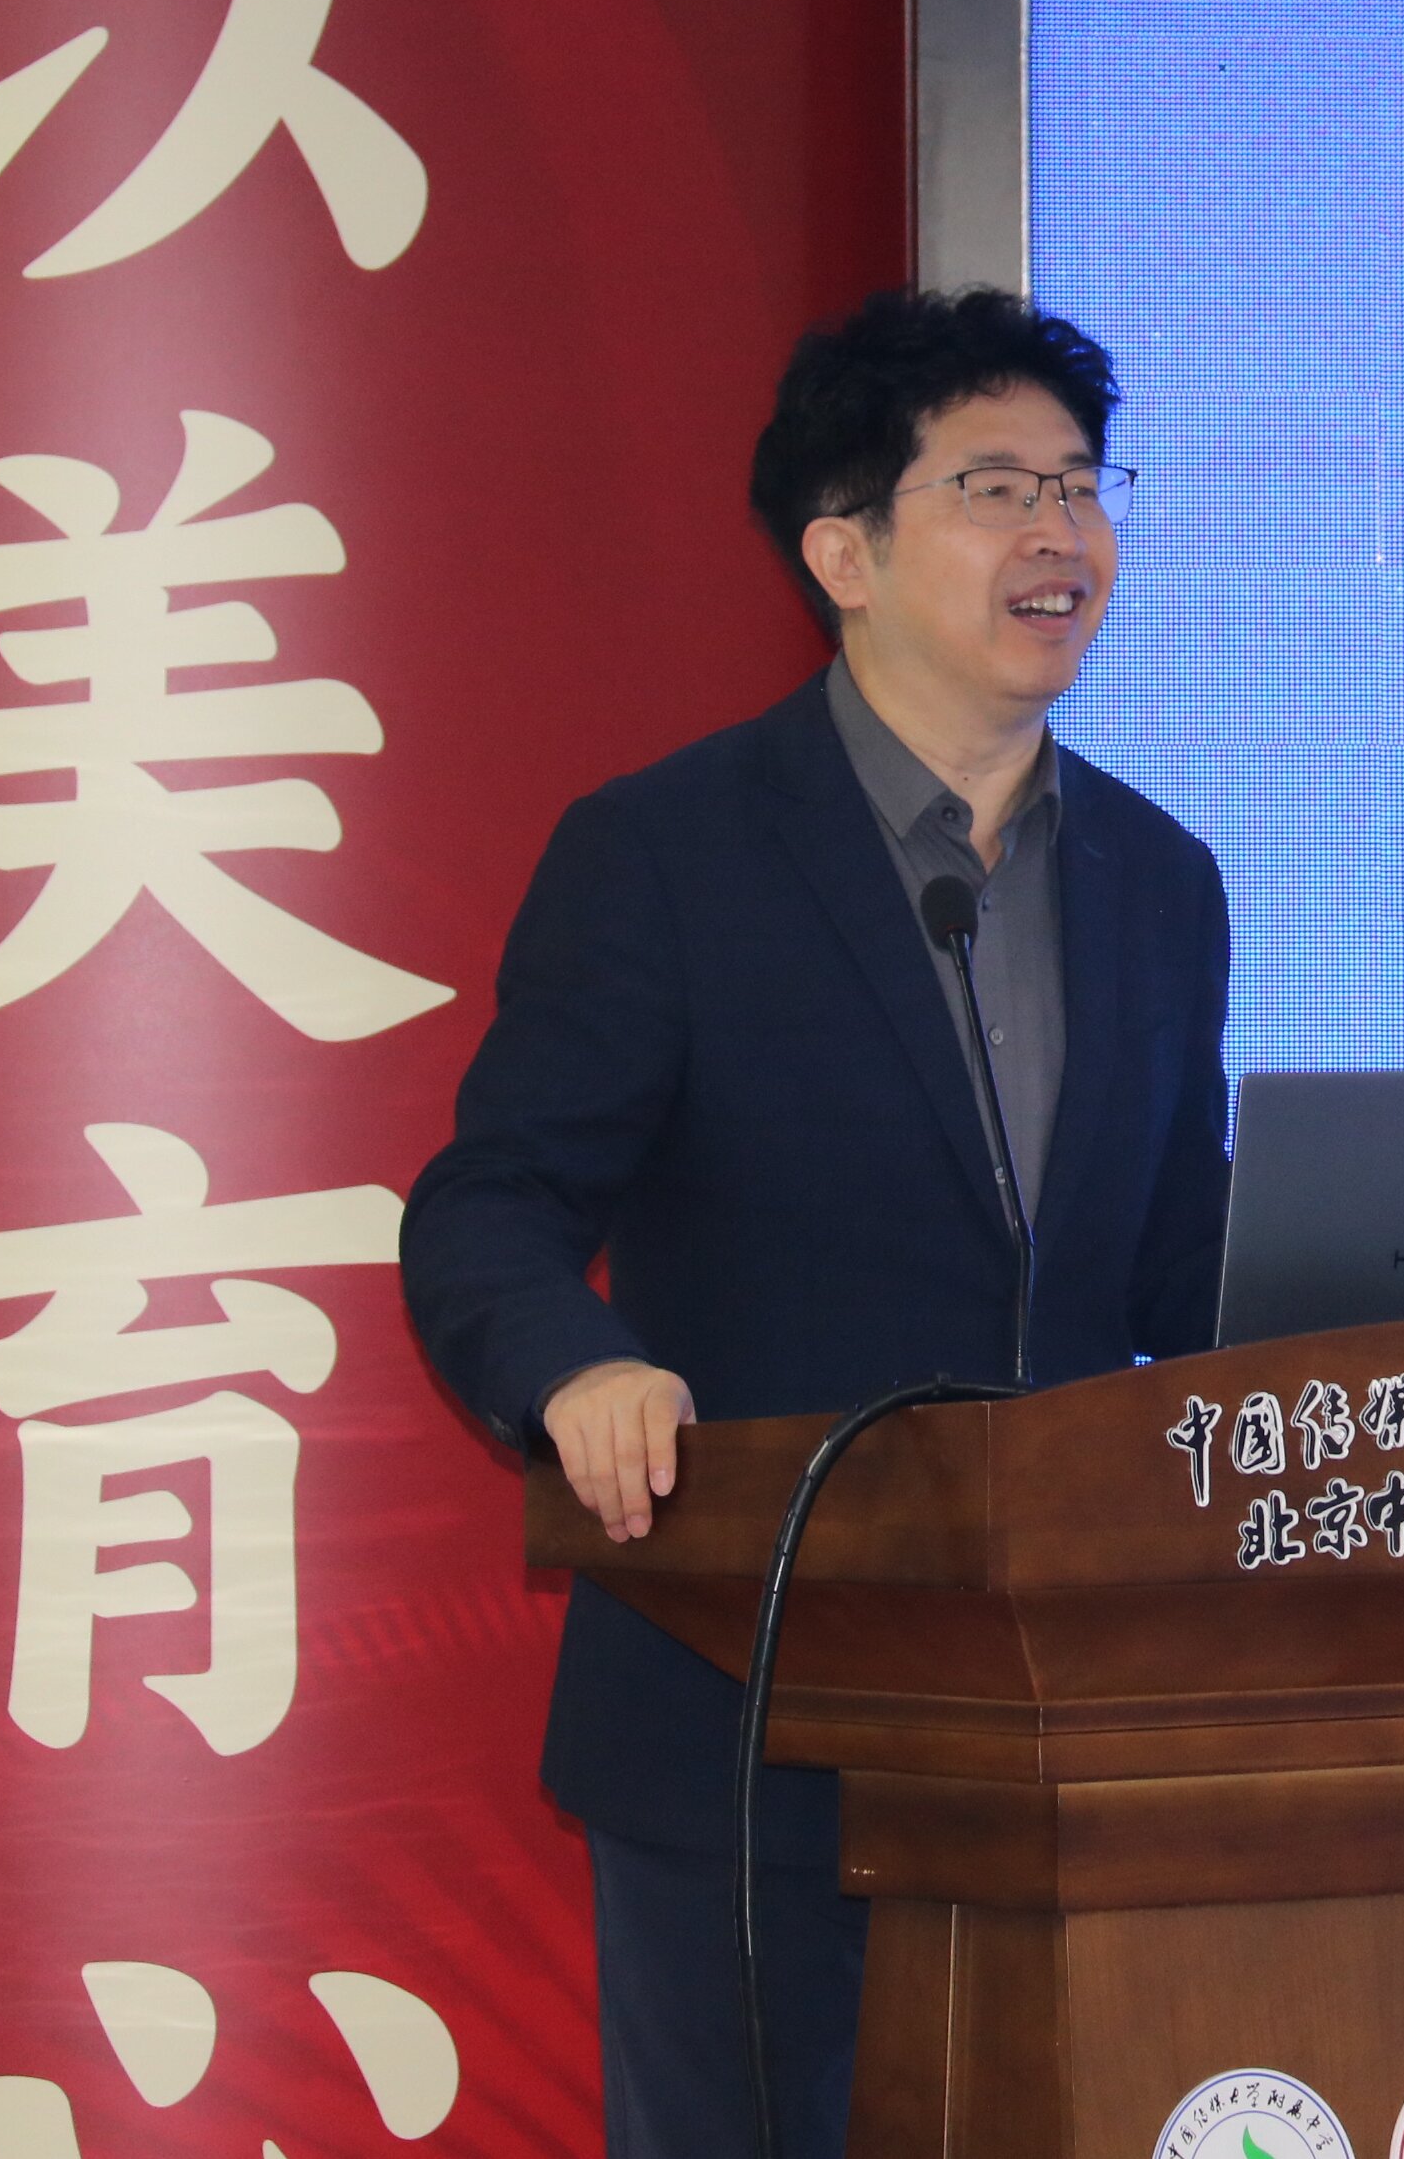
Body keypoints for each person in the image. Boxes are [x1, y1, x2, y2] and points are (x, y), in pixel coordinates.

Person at [398, 287, 1233, 2158]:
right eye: (995, 486)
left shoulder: (1160, 880)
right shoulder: (666, 854)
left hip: (1067, 1732)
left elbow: (1181, 1267)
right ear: (841, 553)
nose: (1060, 531)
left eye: (1082, 485)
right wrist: (579, 1368)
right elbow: (489, 1204)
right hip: (750, 1726)